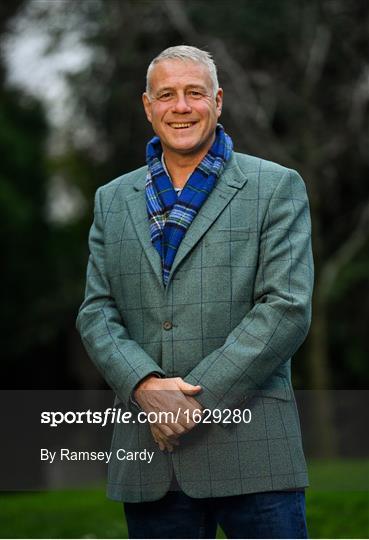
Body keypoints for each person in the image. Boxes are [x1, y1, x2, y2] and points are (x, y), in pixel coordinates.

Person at [76, 45, 314, 539]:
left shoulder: (275, 187)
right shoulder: (111, 199)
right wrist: (144, 387)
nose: (180, 107)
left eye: (194, 93)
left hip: (254, 452)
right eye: (167, 95)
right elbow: (97, 312)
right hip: (151, 463)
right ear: (148, 106)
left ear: (219, 101)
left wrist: (192, 405)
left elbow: (286, 307)